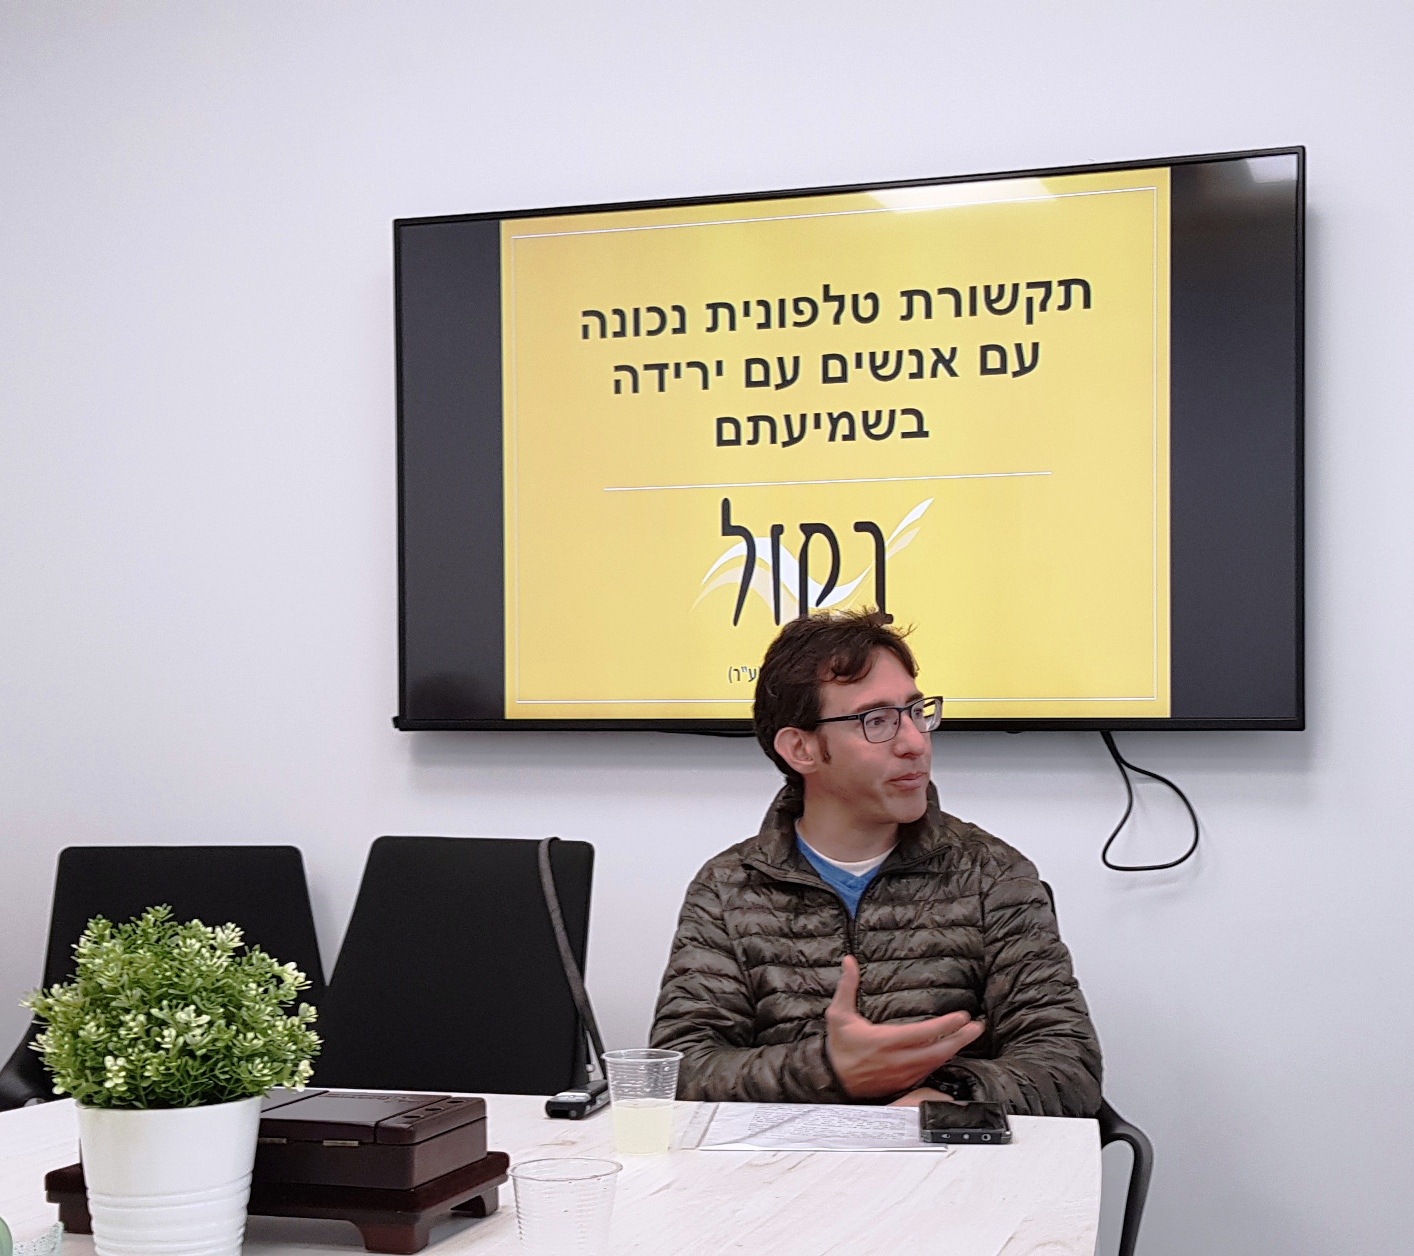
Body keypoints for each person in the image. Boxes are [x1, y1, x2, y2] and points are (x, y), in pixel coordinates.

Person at [650, 610, 1102, 1113]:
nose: (914, 742)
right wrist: (828, 1070)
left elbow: (1068, 1067)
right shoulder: (729, 888)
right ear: (801, 748)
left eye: (916, 712)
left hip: (949, 1156)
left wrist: (946, 1096)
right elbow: (679, 1071)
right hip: (790, 1160)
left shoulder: (991, 874)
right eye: (877, 721)